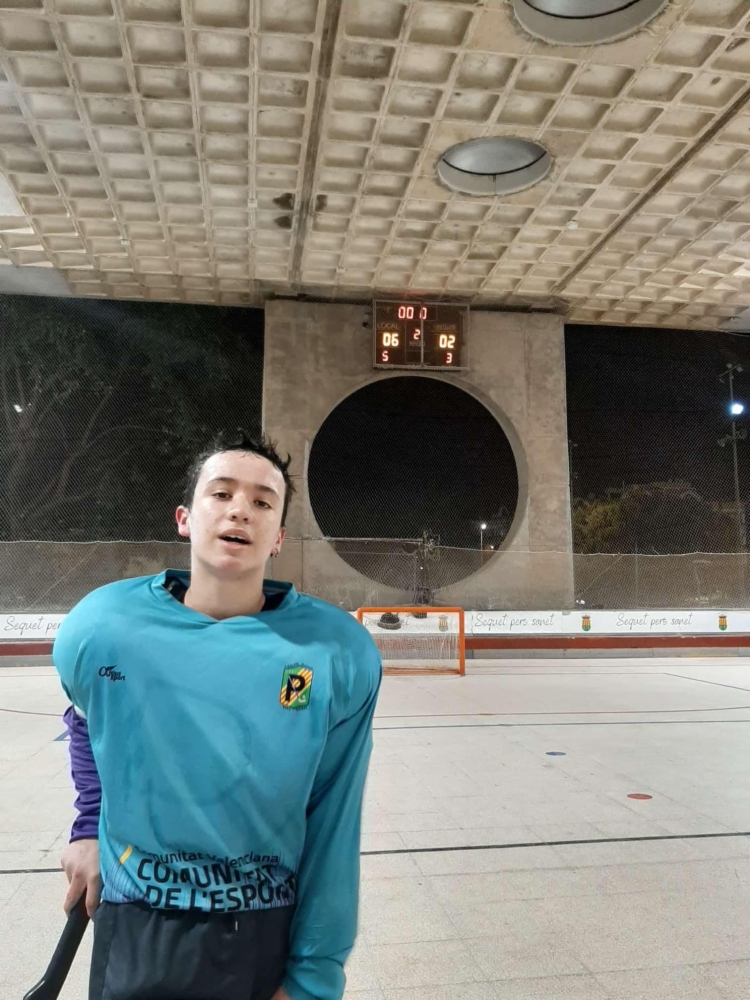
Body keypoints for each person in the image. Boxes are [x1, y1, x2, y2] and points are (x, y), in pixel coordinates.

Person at [53, 428, 382, 1000]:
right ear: (184, 518)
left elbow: (334, 819)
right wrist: (87, 830)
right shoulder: (101, 627)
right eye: (222, 493)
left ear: (278, 538)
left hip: (260, 927)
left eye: (263, 502)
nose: (241, 510)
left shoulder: (335, 652)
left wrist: (314, 976)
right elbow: (87, 718)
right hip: (134, 921)